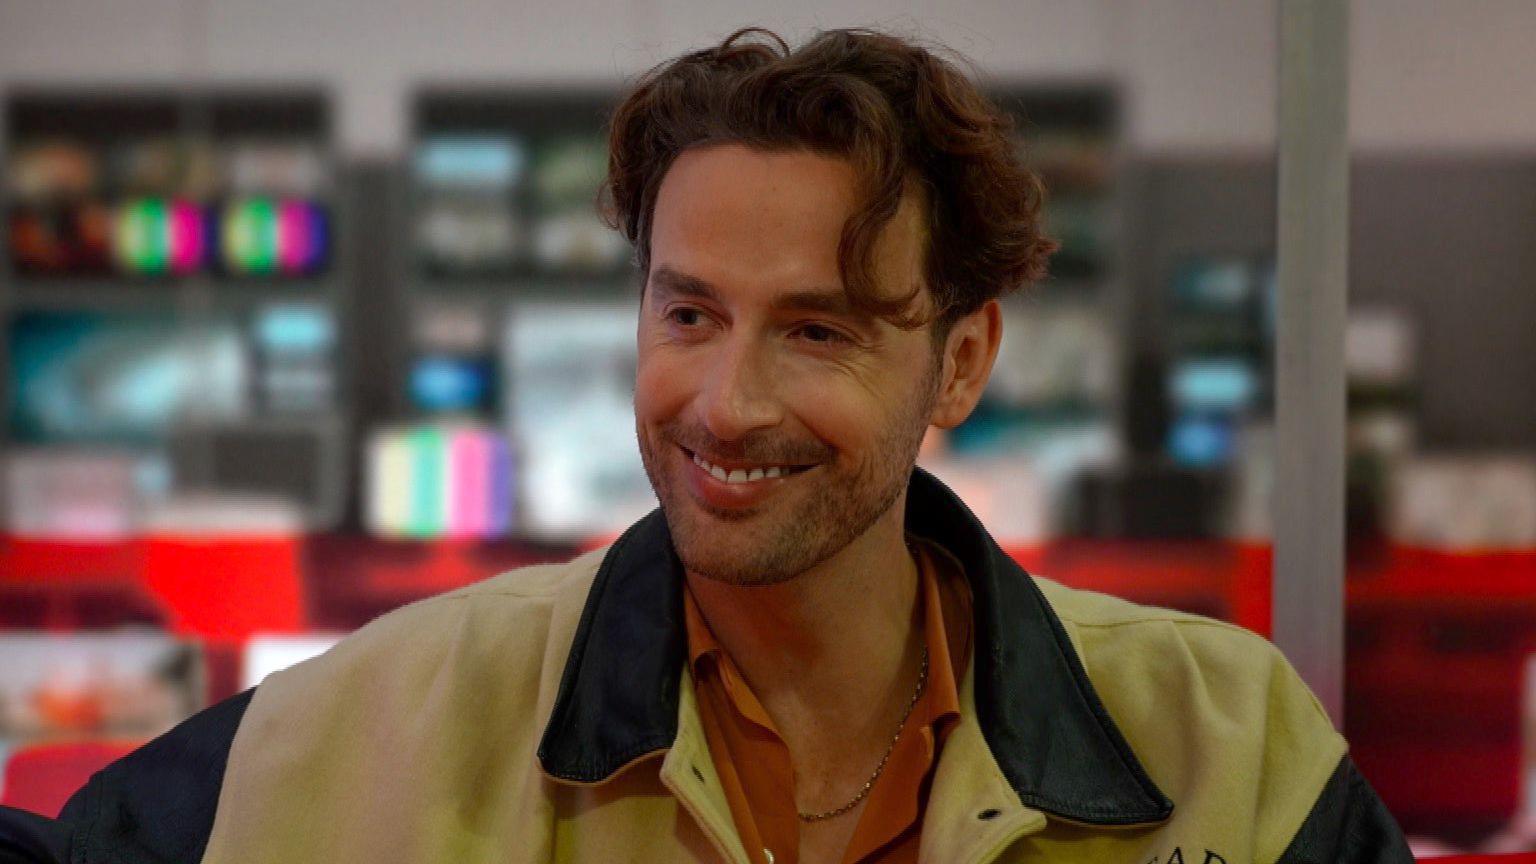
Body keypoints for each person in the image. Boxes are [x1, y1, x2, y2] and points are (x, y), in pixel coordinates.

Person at [0, 26, 1411, 864]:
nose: (726, 403)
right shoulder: (406, 715)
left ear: (962, 360)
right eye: (690, 312)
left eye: (820, 329)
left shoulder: (1225, 748)